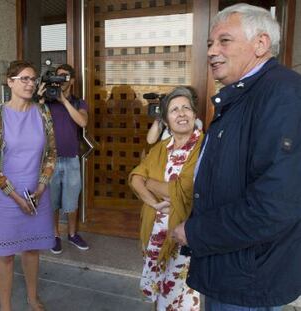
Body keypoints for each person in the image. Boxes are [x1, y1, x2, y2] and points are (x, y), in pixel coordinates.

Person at [172, 4, 301, 310]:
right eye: (209, 44)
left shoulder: (282, 95)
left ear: (261, 43)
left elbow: (274, 205)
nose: (212, 51)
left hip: (248, 277)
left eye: (224, 41)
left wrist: (194, 231)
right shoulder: (245, 94)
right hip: (231, 268)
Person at [0, 60, 56, 311]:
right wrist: (15, 196)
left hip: (37, 193)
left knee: (32, 250)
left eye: (33, 79)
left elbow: (51, 155)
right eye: (24, 78)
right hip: (6, 197)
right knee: (5, 257)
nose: (30, 84)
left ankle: (32, 298)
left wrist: (42, 187)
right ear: (9, 81)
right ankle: (5, 307)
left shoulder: (43, 113)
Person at [129, 86, 203, 311]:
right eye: (174, 110)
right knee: (159, 294)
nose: (181, 114)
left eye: (186, 108)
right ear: (166, 120)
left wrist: (149, 183)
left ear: (194, 114)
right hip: (154, 233)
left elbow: (185, 191)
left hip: (184, 235)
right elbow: (134, 177)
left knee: (181, 299)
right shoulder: (161, 147)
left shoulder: (204, 147)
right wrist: (153, 202)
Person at [42, 64, 89, 254]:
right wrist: (42, 96)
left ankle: (72, 233)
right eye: (58, 76)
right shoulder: (46, 102)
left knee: (71, 201)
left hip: (71, 158)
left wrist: (64, 101)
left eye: (65, 76)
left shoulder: (79, 103)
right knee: (52, 201)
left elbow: (83, 122)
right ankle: (55, 235)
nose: (61, 80)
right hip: (50, 159)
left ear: (72, 80)